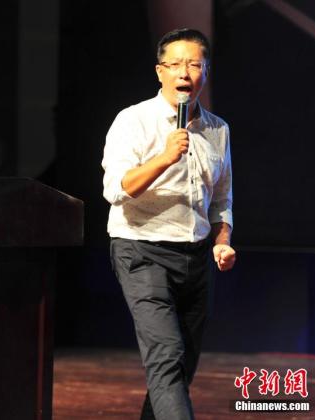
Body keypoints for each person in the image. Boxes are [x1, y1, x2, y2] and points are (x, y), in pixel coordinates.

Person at [102, 28, 236, 420]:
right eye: (175, 64)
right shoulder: (133, 121)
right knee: (166, 354)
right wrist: (164, 157)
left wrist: (222, 239)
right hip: (142, 250)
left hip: (196, 256)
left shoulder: (218, 129)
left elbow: (222, 199)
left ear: (205, 72)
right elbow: (116, 188)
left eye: (194, 65)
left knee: (181, 364)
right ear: (160, 71)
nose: (184, 73)